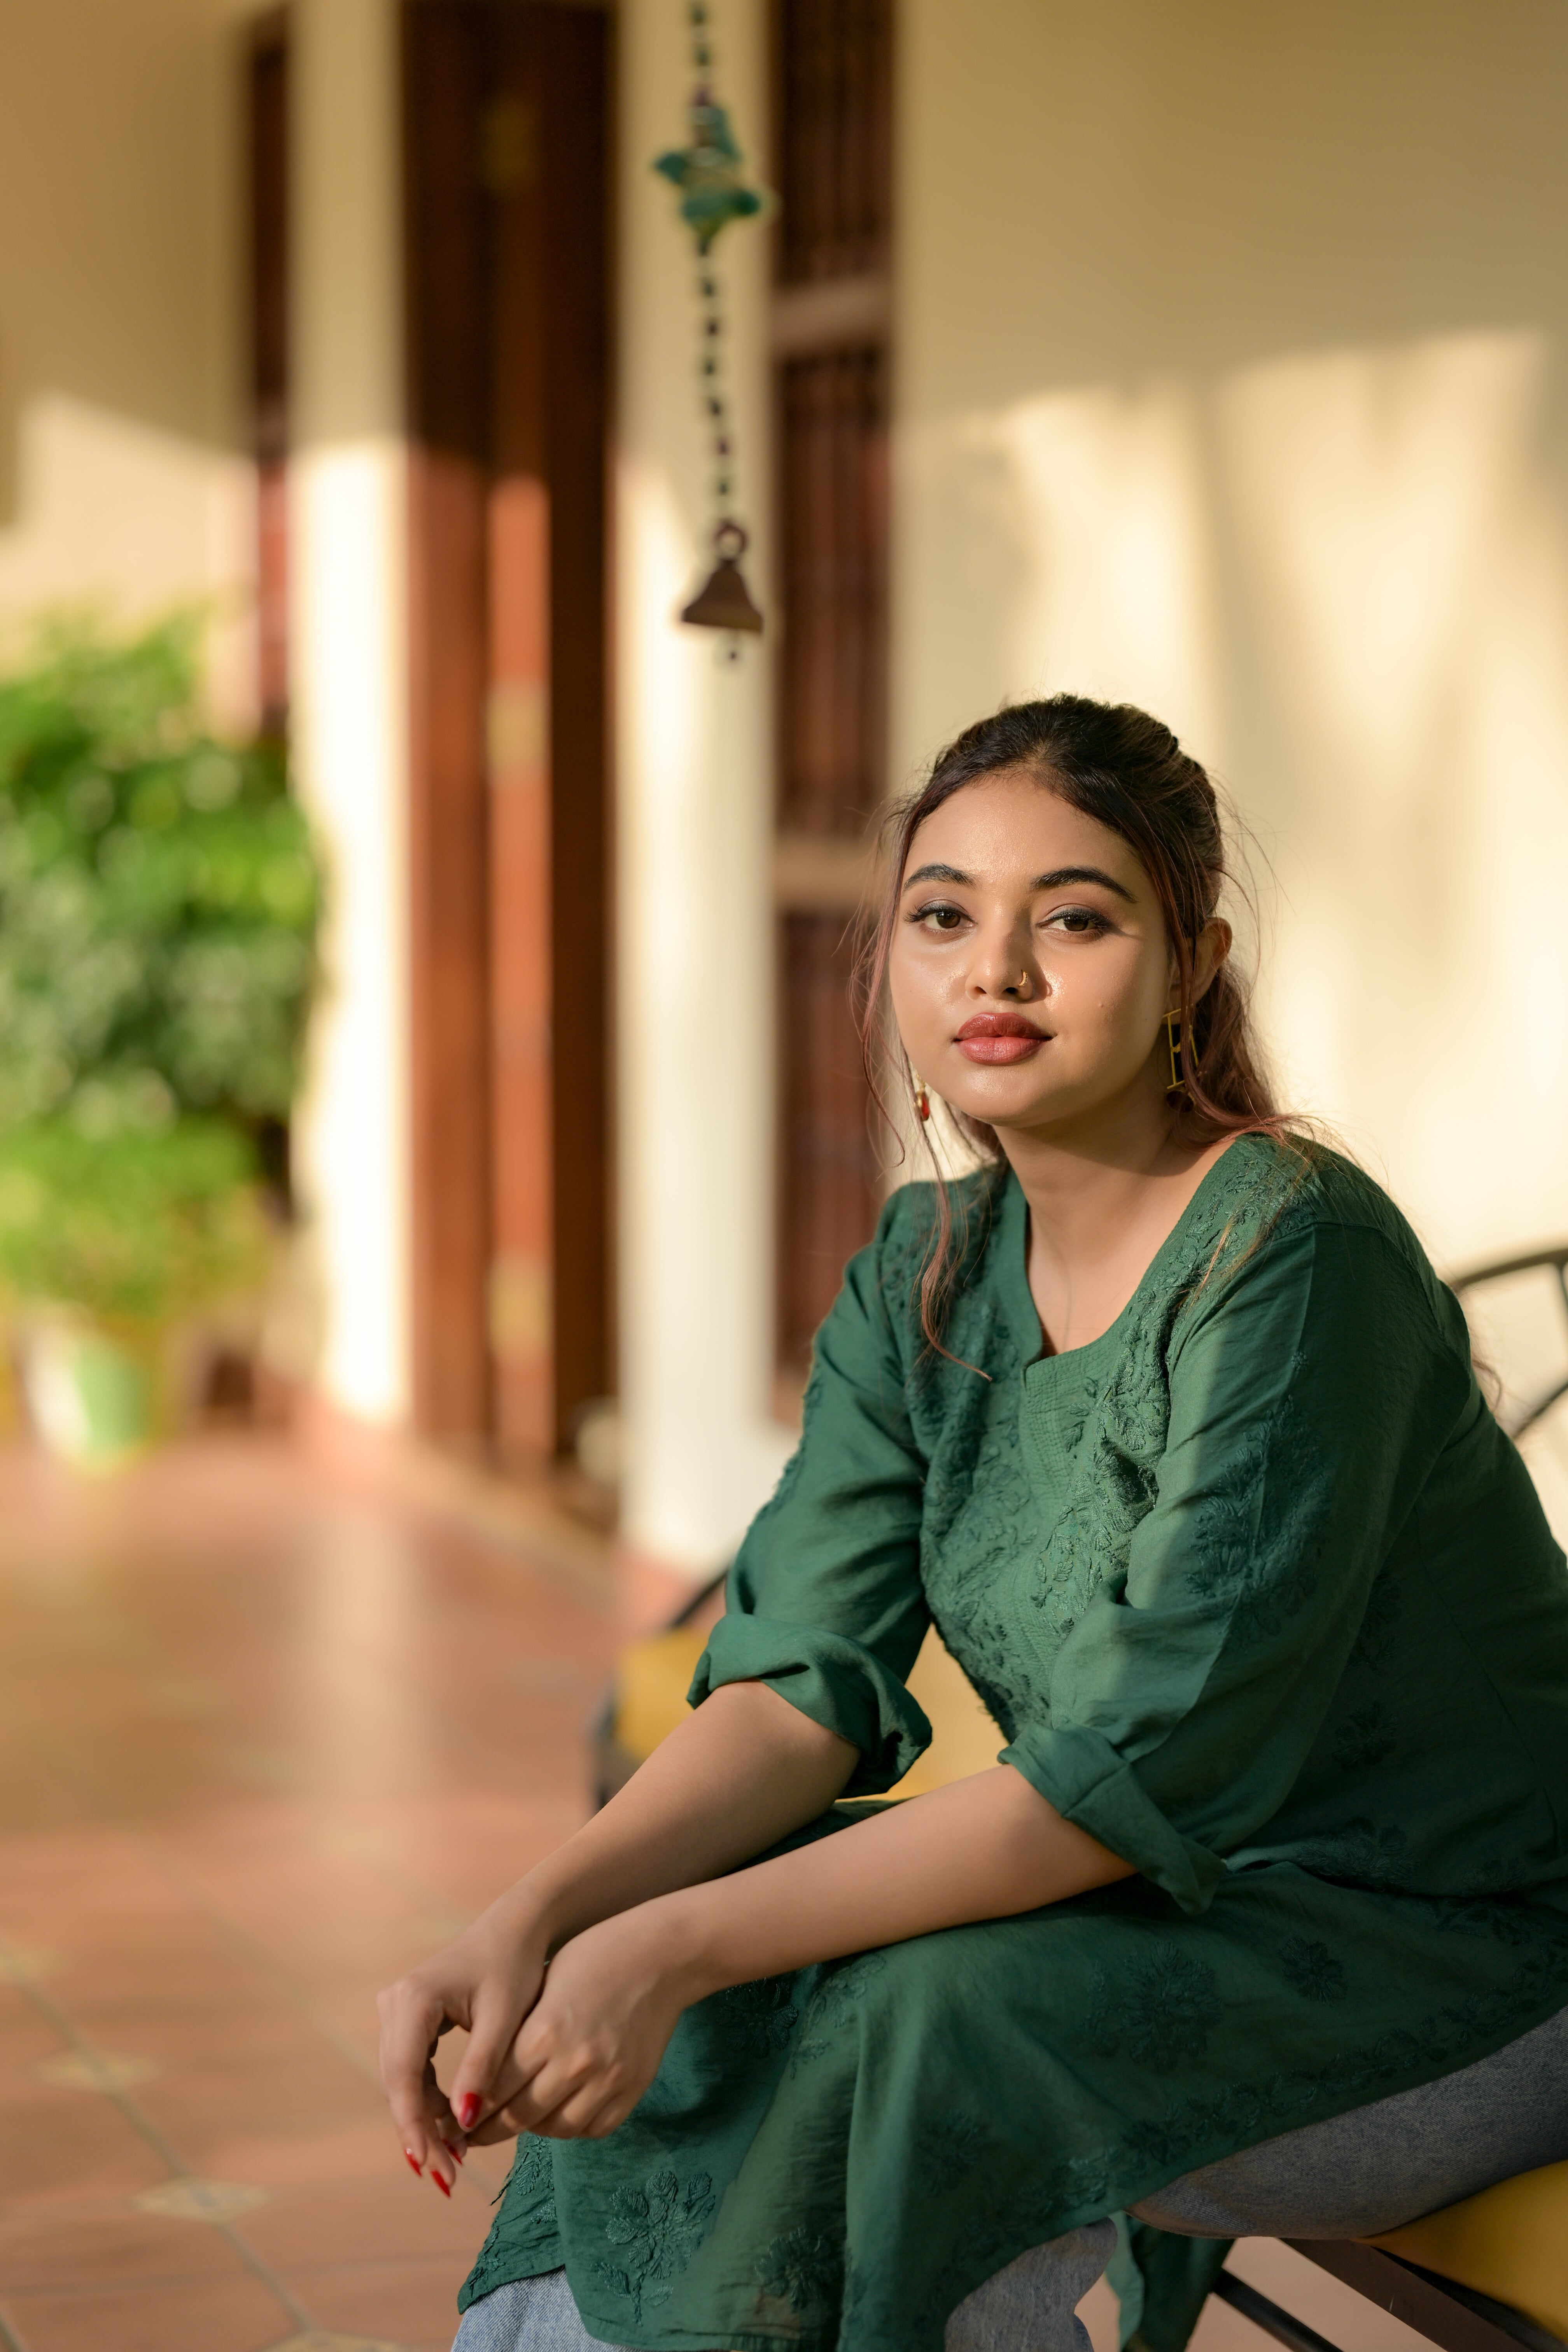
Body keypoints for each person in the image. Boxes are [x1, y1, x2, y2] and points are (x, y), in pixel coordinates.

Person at [378, 697, 1568, 2352]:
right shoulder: (927, 1268)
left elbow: (1130, 1775)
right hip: (1157, 1917)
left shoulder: (1292, 1258)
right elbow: (795, 1693)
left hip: (1462, 1959)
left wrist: (671, 1948)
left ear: (1192, 959)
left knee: (913, 2019)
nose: (993, 974)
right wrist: (539, 1916)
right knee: (761, 1983)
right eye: (944, 917)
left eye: (1072, 919)